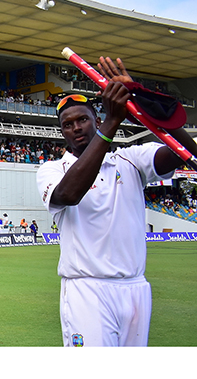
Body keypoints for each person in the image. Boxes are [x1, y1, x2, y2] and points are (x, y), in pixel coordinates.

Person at [36, 56, 197, 347]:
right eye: (67, 124)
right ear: (62, 132)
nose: (76, 127)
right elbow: (69, 195)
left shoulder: (130, 159)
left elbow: (185, 151)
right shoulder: (51, 170)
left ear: (94, 119)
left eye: (83, 119)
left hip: (136, 288)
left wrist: (142, 97)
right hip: (87, 290)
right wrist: (111, 122)